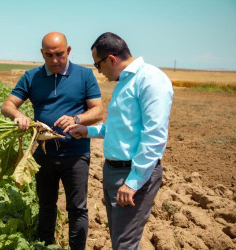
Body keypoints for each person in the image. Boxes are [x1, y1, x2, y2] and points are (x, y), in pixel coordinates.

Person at [64, 32, 174, 249]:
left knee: (124, 244)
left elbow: (154, 136)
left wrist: (133, 182)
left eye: (98, 65)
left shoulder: (150, 79)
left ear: (111, 59)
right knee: (121, 241)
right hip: (114, 172)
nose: (99, 71)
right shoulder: (125, 83)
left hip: (132, 174)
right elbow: (118, 128)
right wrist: (86, 131)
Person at [0, 32, 103, 249]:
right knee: (46, 205)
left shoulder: (85, 76)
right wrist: (18, 115)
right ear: (42, 53)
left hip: (76, 154)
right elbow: (7, 105)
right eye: (49, 55)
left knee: (77, 208)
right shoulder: (32, 76)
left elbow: (97, 111)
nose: (54, 61)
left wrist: (77, 118)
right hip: (43, 154)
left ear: (68, 51)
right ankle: (46, 245)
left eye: (59, 54)